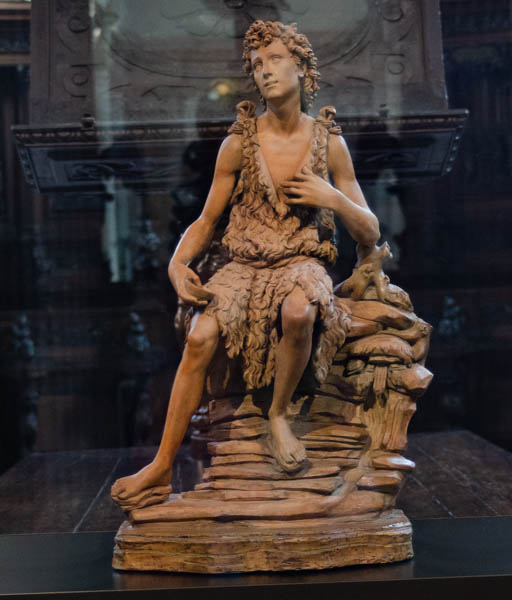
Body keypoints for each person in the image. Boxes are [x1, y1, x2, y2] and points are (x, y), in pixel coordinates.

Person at [111, 20, 379, 507]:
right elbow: (206, 220)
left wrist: (331, 198)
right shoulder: (239, 142)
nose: (265, 71)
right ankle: (162, 465)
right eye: (256, 65)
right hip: (245, 264)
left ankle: (279, 414)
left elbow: (370, 231)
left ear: (302, 68)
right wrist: (177, 264)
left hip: (301, 260)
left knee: (299, 311)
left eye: (275, 60)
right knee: (199, 337)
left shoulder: (328, 142)